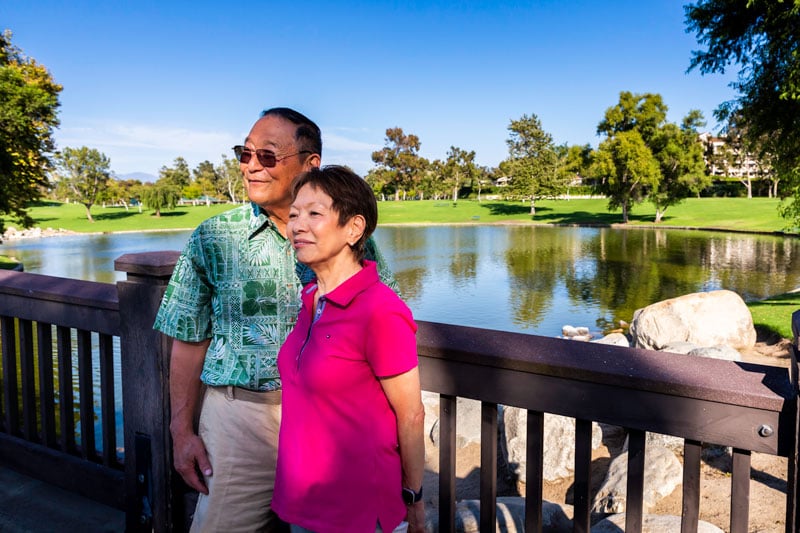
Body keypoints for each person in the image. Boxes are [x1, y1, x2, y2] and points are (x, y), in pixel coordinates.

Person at [153, 108, 396, 532]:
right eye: (244, 154)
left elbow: (382, 331)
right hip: (239, 422)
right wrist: (181, 431)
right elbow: (188, 337)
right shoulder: (213, 238)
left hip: (330, 431)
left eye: (267, 156)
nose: (251, 167)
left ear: (310, 164)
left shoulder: (352, 240)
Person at [272, 166, 425, 533]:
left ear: (354, 228)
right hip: (303, 503)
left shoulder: (380, 310)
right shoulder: (311, 298)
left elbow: (411, 415)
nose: (297, 225)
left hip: (356, 511)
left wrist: (414, 499)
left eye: (314, 213)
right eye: (294, 215)